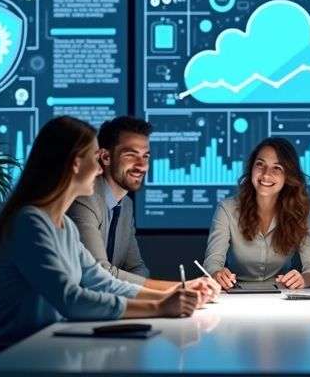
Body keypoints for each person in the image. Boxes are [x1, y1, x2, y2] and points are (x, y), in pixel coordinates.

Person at [0, 116, 200, 351]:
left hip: (43, 350)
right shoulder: (29, 223)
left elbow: (104, 282)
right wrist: (159, 307)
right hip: (7, 357)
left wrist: (172, 296)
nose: (99, 168)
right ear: (75, 163)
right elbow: (70, 299)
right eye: (95, 158)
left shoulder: (64, 226)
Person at [67, 116, 219, 297]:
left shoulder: (126, 205)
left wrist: (145, 296)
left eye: (145, 156)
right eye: (131, 155)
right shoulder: (84, 199)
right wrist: (176, 289)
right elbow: (100, 273)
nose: (142, 166)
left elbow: (136, 267)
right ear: (106, 157)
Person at [203, 137, 310, 289]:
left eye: (277, 168)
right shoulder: (226, 209)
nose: (266, 174)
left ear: (288, 175)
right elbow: (212, 263)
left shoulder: (301, 211)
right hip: (234, 294)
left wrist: (304, 279)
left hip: (282, 295)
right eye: (260, 165)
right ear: (251, 169)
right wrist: (216, 274)